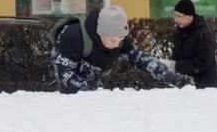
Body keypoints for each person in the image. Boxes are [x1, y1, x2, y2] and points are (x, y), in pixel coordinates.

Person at [51, 6, 193, 93]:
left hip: (92, 74)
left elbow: (141, 59)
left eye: (119, 40)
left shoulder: (118, 41)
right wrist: (81, 89)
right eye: (112, 40)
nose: (116, 44)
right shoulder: (73, 36)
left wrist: (168, 76)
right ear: (100, 33)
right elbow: (64, 70)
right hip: (70, 73)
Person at [170, 0, 217, 88]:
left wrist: (177, 66)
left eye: (179, 16)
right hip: (184, 86)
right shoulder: (178, 33)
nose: (176, 20)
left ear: (190, 16)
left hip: (204, 87)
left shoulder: (203, 34)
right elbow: (177, 57)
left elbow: (204, 61)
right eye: (175, 16)